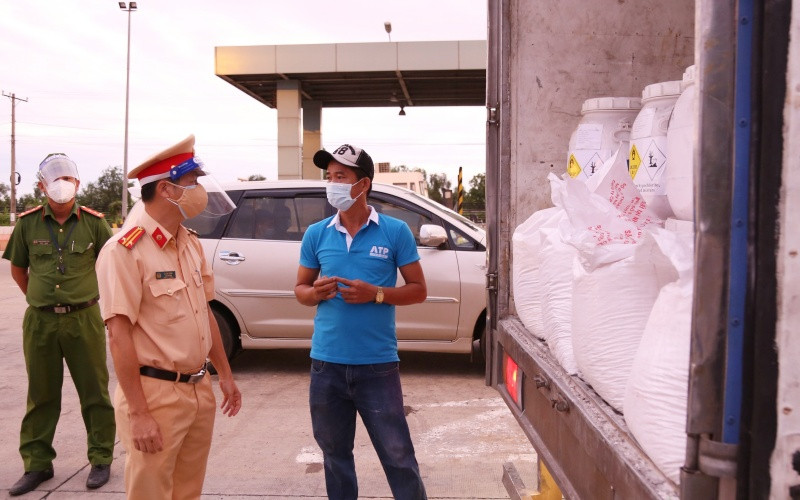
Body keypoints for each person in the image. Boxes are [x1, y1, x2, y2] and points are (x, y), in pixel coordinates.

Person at [95, 135, 242, 499]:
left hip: (197, 389)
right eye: (191, 182)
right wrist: (140, 413)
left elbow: (203, 311)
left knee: (187, 490)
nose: (199, 190)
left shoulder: (189, 242)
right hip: (155, 395)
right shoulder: (125, 251)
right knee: (151, 492)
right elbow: (118, 336)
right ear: (166, 188)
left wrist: (224, 374)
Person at [294, 143, 428, 500]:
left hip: (377, 366)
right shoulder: (317, 234)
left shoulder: (395, 231)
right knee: (336, 458)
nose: (332, 183)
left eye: (341, 176)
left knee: (398, 456)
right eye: (329, 176)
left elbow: (418, 290)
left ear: (362, 184)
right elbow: (300, 290)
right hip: (327, 365)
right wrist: (315, 292)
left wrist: (377, 293)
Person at [2, 153, 116, 496]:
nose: (62, 184)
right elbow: (19, 270)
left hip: (84, 319)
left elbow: (110, 270)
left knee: (94, 391)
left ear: (78, 184)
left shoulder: (96, 223)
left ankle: (100, 458)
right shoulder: (28, 223)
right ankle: (37, 464)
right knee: (41, 394)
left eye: (68, 178)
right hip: (40, 322)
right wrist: (40, 300)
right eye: (55, 179)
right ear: (42, 187)